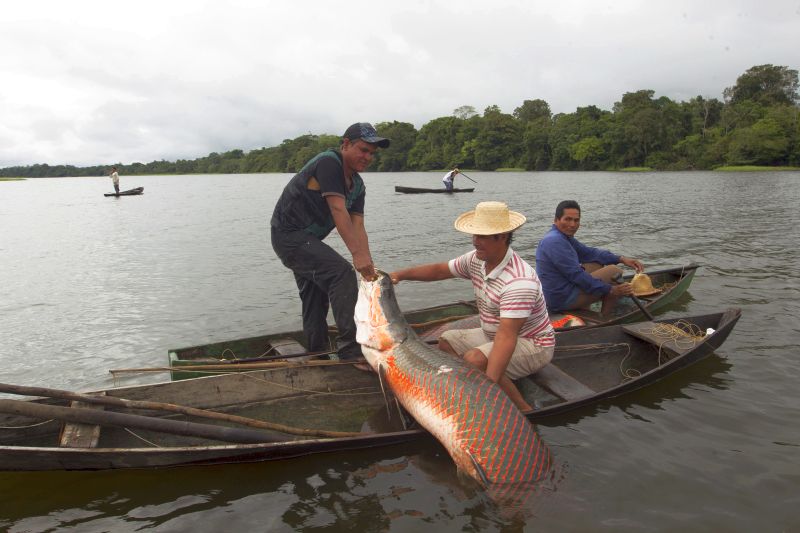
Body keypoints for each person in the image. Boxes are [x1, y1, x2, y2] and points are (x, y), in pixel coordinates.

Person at [390, 201, 554, 411]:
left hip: (533, 344)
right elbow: (440, 270)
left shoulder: (519, 282)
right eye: (475, 235)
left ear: (503, 236)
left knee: (475, 359)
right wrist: (399, 275)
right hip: (494, 335)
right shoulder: (477, 260)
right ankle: (470, 384)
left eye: (482, 236)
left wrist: (488, 386)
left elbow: (506, 338)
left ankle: (521, 408)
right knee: (447, 341)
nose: (475, 241)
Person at [270, 122, 390, 361]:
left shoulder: (358, 186)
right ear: (345, 144)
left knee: (314, 295)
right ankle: (351, 350)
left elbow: (357, 225)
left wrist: (367, 262)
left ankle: (317, 351)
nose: (368, 157)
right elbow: (338, 209)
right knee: (341, 273)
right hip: (288, 235)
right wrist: (357, 256)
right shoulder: (329, 163)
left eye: (372, 153)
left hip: (306, 241)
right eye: (363, 150)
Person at [535, 200, 645, 315]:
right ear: (556, 220)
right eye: (567, 219)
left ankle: (586, 306)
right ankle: (605, 318)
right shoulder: (555, 241)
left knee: (595, 263)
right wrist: (611, 290)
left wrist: (621, 259)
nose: (572, 224)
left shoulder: (563, 237)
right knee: (614, 271)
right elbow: (576, 275)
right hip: (560, 299)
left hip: (562, 289)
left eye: (576, 220)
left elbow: (590, 253)